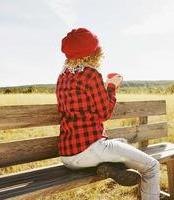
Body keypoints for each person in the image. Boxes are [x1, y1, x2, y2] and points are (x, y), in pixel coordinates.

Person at [56, 28, 160, 200]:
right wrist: (111, 87)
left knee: (121, 143)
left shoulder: (62, 77)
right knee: (152, 167)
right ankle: (114, 167)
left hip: (68, 157)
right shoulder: (91, 74)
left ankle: (109, 168)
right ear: (93, 52)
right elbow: (104, 113)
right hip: (90, 149)